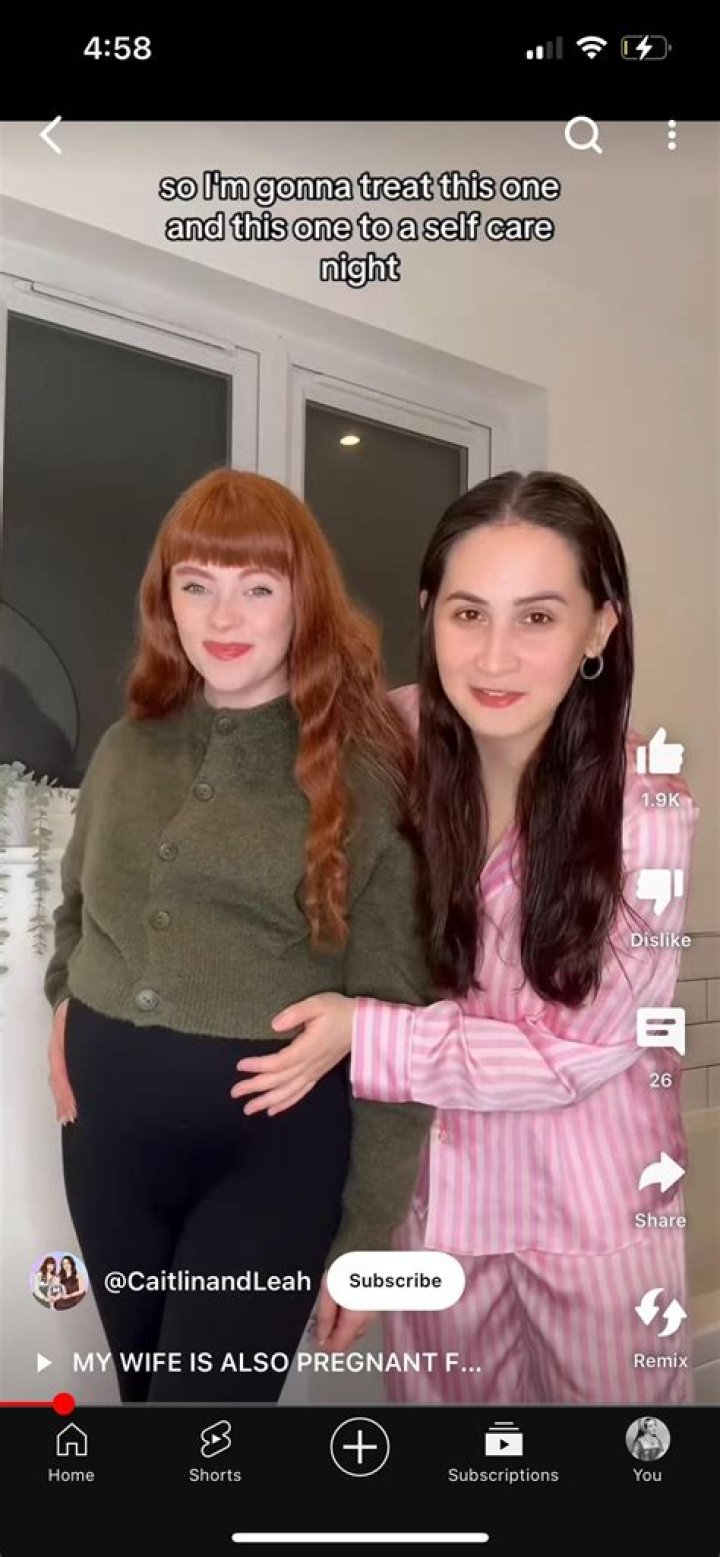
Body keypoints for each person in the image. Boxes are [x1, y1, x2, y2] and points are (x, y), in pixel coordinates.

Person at [234, 469, 699, 1403]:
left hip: (591, 1216)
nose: (494, 657)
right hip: (434, 1211)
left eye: (538, 617)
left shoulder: (645, 816)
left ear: (599, 629)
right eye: (467, 613)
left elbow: (580, 1051)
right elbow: (234, 849)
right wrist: (81, 986)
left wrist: (366, 1034)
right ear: (429, 613)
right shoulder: (387, 745)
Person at [44, 467, 433, 1404]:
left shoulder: (369, 772)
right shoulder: (126, 748)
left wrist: (369, 1238)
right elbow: (76, 910)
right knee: (142, 1394)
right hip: (105, 1144)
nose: (223, 614)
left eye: (258, 586)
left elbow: (399, 1020)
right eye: (197, 584)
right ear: (166, 600)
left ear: (305, 602)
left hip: (271, 1159)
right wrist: (65, 1003)